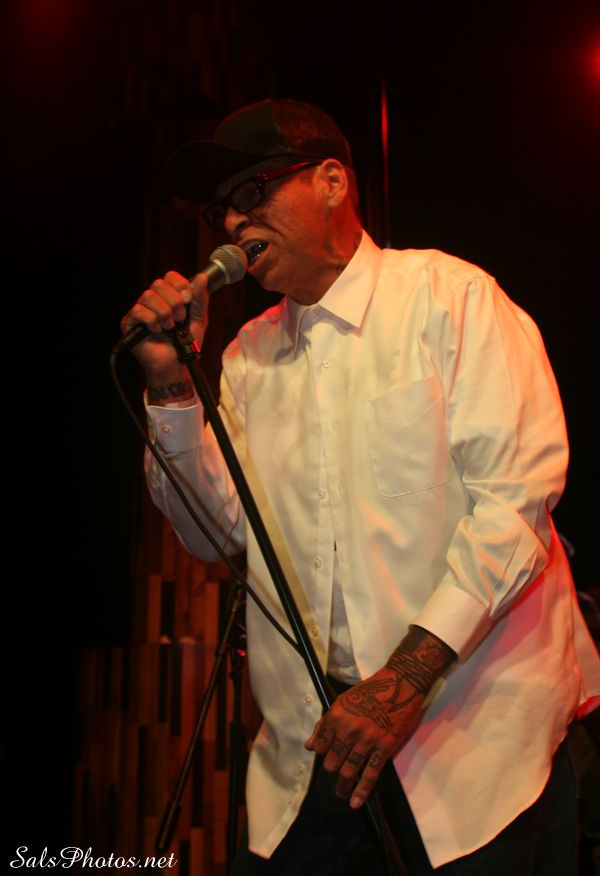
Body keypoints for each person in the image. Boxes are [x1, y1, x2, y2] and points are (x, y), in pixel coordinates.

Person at [120, 99, 600, 874]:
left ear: (332, 182)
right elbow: (213, 537)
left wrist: (402, 682)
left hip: (473, 740)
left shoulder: (452, 299)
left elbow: (513, 506)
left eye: (252, 193)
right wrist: (173, 387)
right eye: (220, 210)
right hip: (317, 748)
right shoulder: (247, 358)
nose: (233, 223)